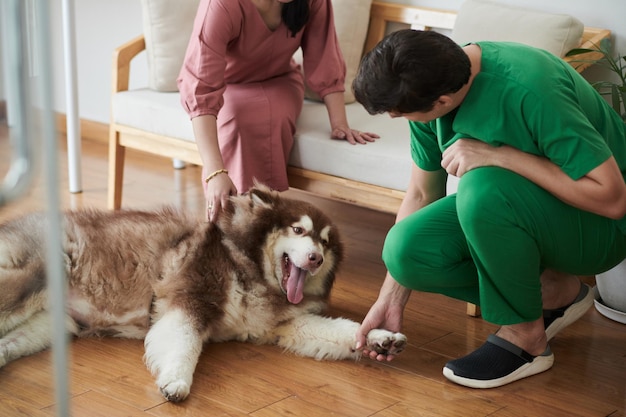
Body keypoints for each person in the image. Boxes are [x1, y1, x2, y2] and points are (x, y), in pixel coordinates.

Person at [351, 29, 626, 388]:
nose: (397, 119)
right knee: (405, 251)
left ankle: (526, 337)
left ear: (443, 101)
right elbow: (421, 193)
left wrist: (501, 155)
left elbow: (612, 198)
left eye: (399, 114)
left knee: (483, 188)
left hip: (597, 229)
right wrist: (390, 300)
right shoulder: (426, 87)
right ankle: (552, 293)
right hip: (522, 212)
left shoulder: (531, 87)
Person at [178, 0, 378, 221]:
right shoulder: (221, 5)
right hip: (228, 85)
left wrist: (339, 124)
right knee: (235, 121)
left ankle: (264, 221)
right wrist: (215, 172)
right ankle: (230, 220)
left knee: (276, 118)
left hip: (280, 82)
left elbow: (325, 58)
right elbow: (202, 86)